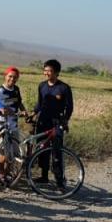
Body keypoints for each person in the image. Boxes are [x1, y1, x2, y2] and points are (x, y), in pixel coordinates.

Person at [32, 59, 73, 187]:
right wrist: (33, 113)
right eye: (45, 70)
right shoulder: (42, 86)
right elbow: (39, 104)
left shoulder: (64, 88)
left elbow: (69, 107)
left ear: (56, 72)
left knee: (56, 152)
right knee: (42, 149)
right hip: (43, 121)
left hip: (56, 122)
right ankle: (44, 176)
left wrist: (65, 120)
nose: (46, 73)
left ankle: (59, 181)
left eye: (49, 71)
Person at [0, 66, 29, 183]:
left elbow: (19, 103)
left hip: (13, 125)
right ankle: (0, 174)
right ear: (5, 76)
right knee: (3, 152)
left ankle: (7, 173)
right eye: (10, 76)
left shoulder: (16, 89)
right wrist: (3, 111)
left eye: (15, 77)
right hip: (2, 125)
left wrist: (24, 111)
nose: (12, 79)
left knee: (13, 153)